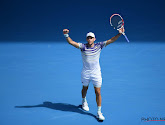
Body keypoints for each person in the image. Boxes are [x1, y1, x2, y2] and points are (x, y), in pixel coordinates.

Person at [63, 28, 124, 121]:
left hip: (96, 73)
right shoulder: (82, 47)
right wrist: (66, 35)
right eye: (88, 38)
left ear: (94, 39)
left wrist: (119, 34)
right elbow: (71, 42)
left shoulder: (99, 46)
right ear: (87, 39)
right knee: (85, 88)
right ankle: (84, 101)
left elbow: (111, 40)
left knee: (98, 92)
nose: (90, 39)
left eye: (91, 38)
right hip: (86, 73)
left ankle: (99, 112)